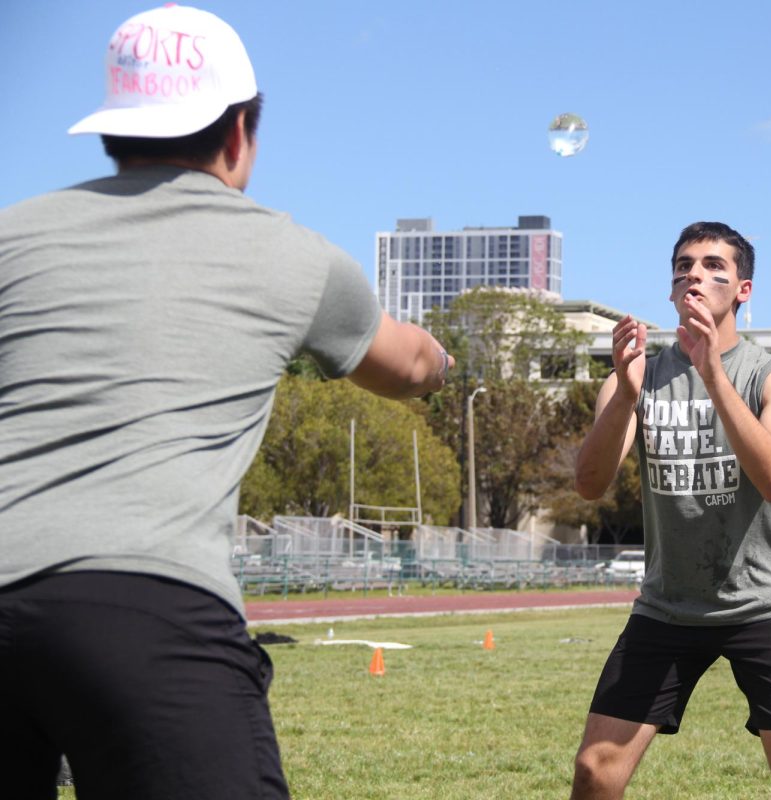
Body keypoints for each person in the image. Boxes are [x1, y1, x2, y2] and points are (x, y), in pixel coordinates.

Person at [0, 6, 452, 799]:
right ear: (241, 130)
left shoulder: (13, 234)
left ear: (113, 127)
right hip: (142, 602)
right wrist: (444, 359)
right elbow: (408, 364)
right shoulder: (290, 254)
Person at [571, 221, 771, 799]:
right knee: (596, 770)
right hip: (667, 609)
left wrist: (712, 374)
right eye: (684, 265)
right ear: (671, 289)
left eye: (715, 266)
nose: (695, 273)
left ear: (743, 289)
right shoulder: (637, 377)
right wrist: (624, 391)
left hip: (762, 604)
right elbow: (589, 484)